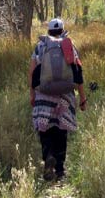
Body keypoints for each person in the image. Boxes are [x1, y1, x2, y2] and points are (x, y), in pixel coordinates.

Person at [29, 17, 87, 181]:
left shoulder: (41, 46)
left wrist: (32, 93)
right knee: (61, 131)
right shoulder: (69, 46)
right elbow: (78, 73)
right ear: (63, 31)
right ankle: (60, 170)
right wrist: (82, 98)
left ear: (48, 31)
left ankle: (48, 157)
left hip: (43, 96)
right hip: (65, 98)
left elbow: (32, 72)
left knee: (45, 130)